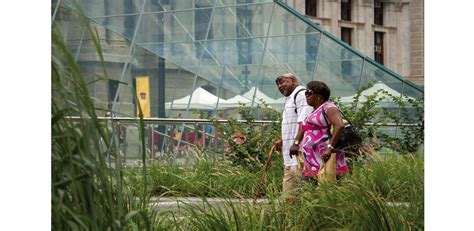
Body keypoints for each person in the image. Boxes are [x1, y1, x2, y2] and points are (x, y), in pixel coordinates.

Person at [290, 81, 349, 182]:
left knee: (327, 186)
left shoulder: (329, 107)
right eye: (306, 93)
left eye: (309, 93)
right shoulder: (314, 111)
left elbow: (339, 125)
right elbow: (304, 128)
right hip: (312, 162)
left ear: (319, 96)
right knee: (309, 190)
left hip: (324, 158)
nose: (306, 96)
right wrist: (296, 143)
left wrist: (330, 148)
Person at [273, 73, 313, 202]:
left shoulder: (301, 95)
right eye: (278, 84)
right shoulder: (290, 98)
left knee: (301, 193)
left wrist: (296, 143)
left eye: (283, 82)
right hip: (289, 157)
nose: (280, 86)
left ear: (294, 81)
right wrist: (283, 141)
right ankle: (290, 221)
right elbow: (292, 124)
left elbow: (304, 123)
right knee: (288, 197)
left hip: (300, 155)